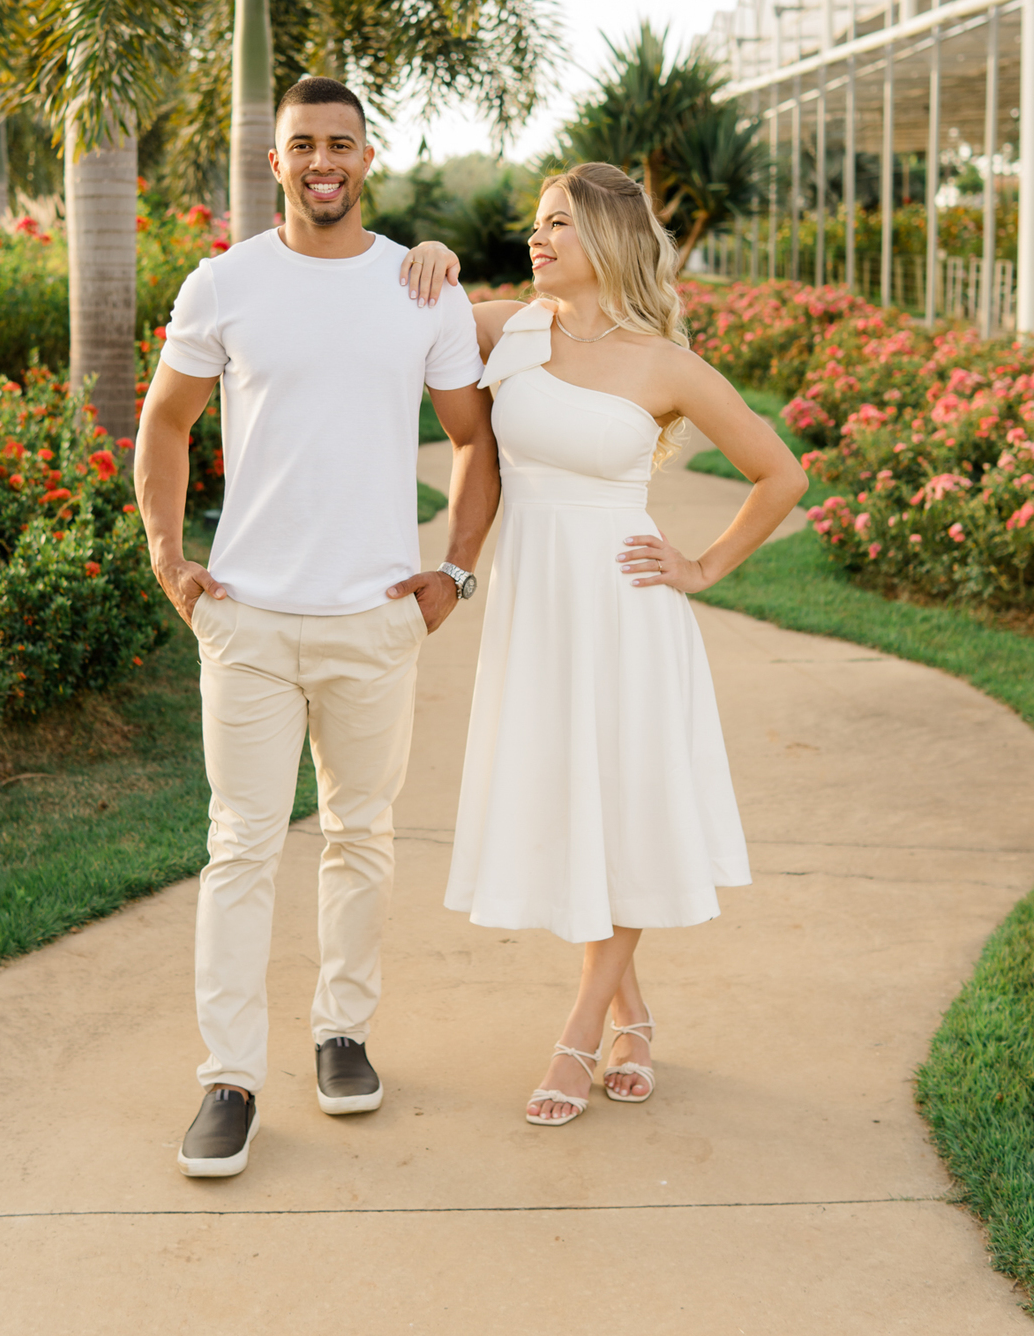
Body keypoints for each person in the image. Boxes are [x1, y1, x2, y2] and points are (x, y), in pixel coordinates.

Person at [135, 76, 498, 1177]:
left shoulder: (415, 286)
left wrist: (454, 577)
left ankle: (343, 1034)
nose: (323, 162)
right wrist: (166, 556)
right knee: (240, 848)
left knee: (361, 837)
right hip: (248, 621)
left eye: (341, 144)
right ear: (277, 159)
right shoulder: (225, 282)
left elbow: (477, 441)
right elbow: (167, 418)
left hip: (374, 621)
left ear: (365, 155)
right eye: (305, 145)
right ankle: (229, 1081)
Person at [444, 162, 807, 1125]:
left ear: (605, 237)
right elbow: (415, 312)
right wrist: (434, 260)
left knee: (627, 808)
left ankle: (577, 1037)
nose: (539, 236)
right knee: (571, 803)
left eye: (558, 222)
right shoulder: (508, 329)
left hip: (626, 609)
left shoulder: (665, 365)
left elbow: (781, 474)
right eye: (536, 222)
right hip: (537, 611)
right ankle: (632, 1016)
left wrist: (703, 567)